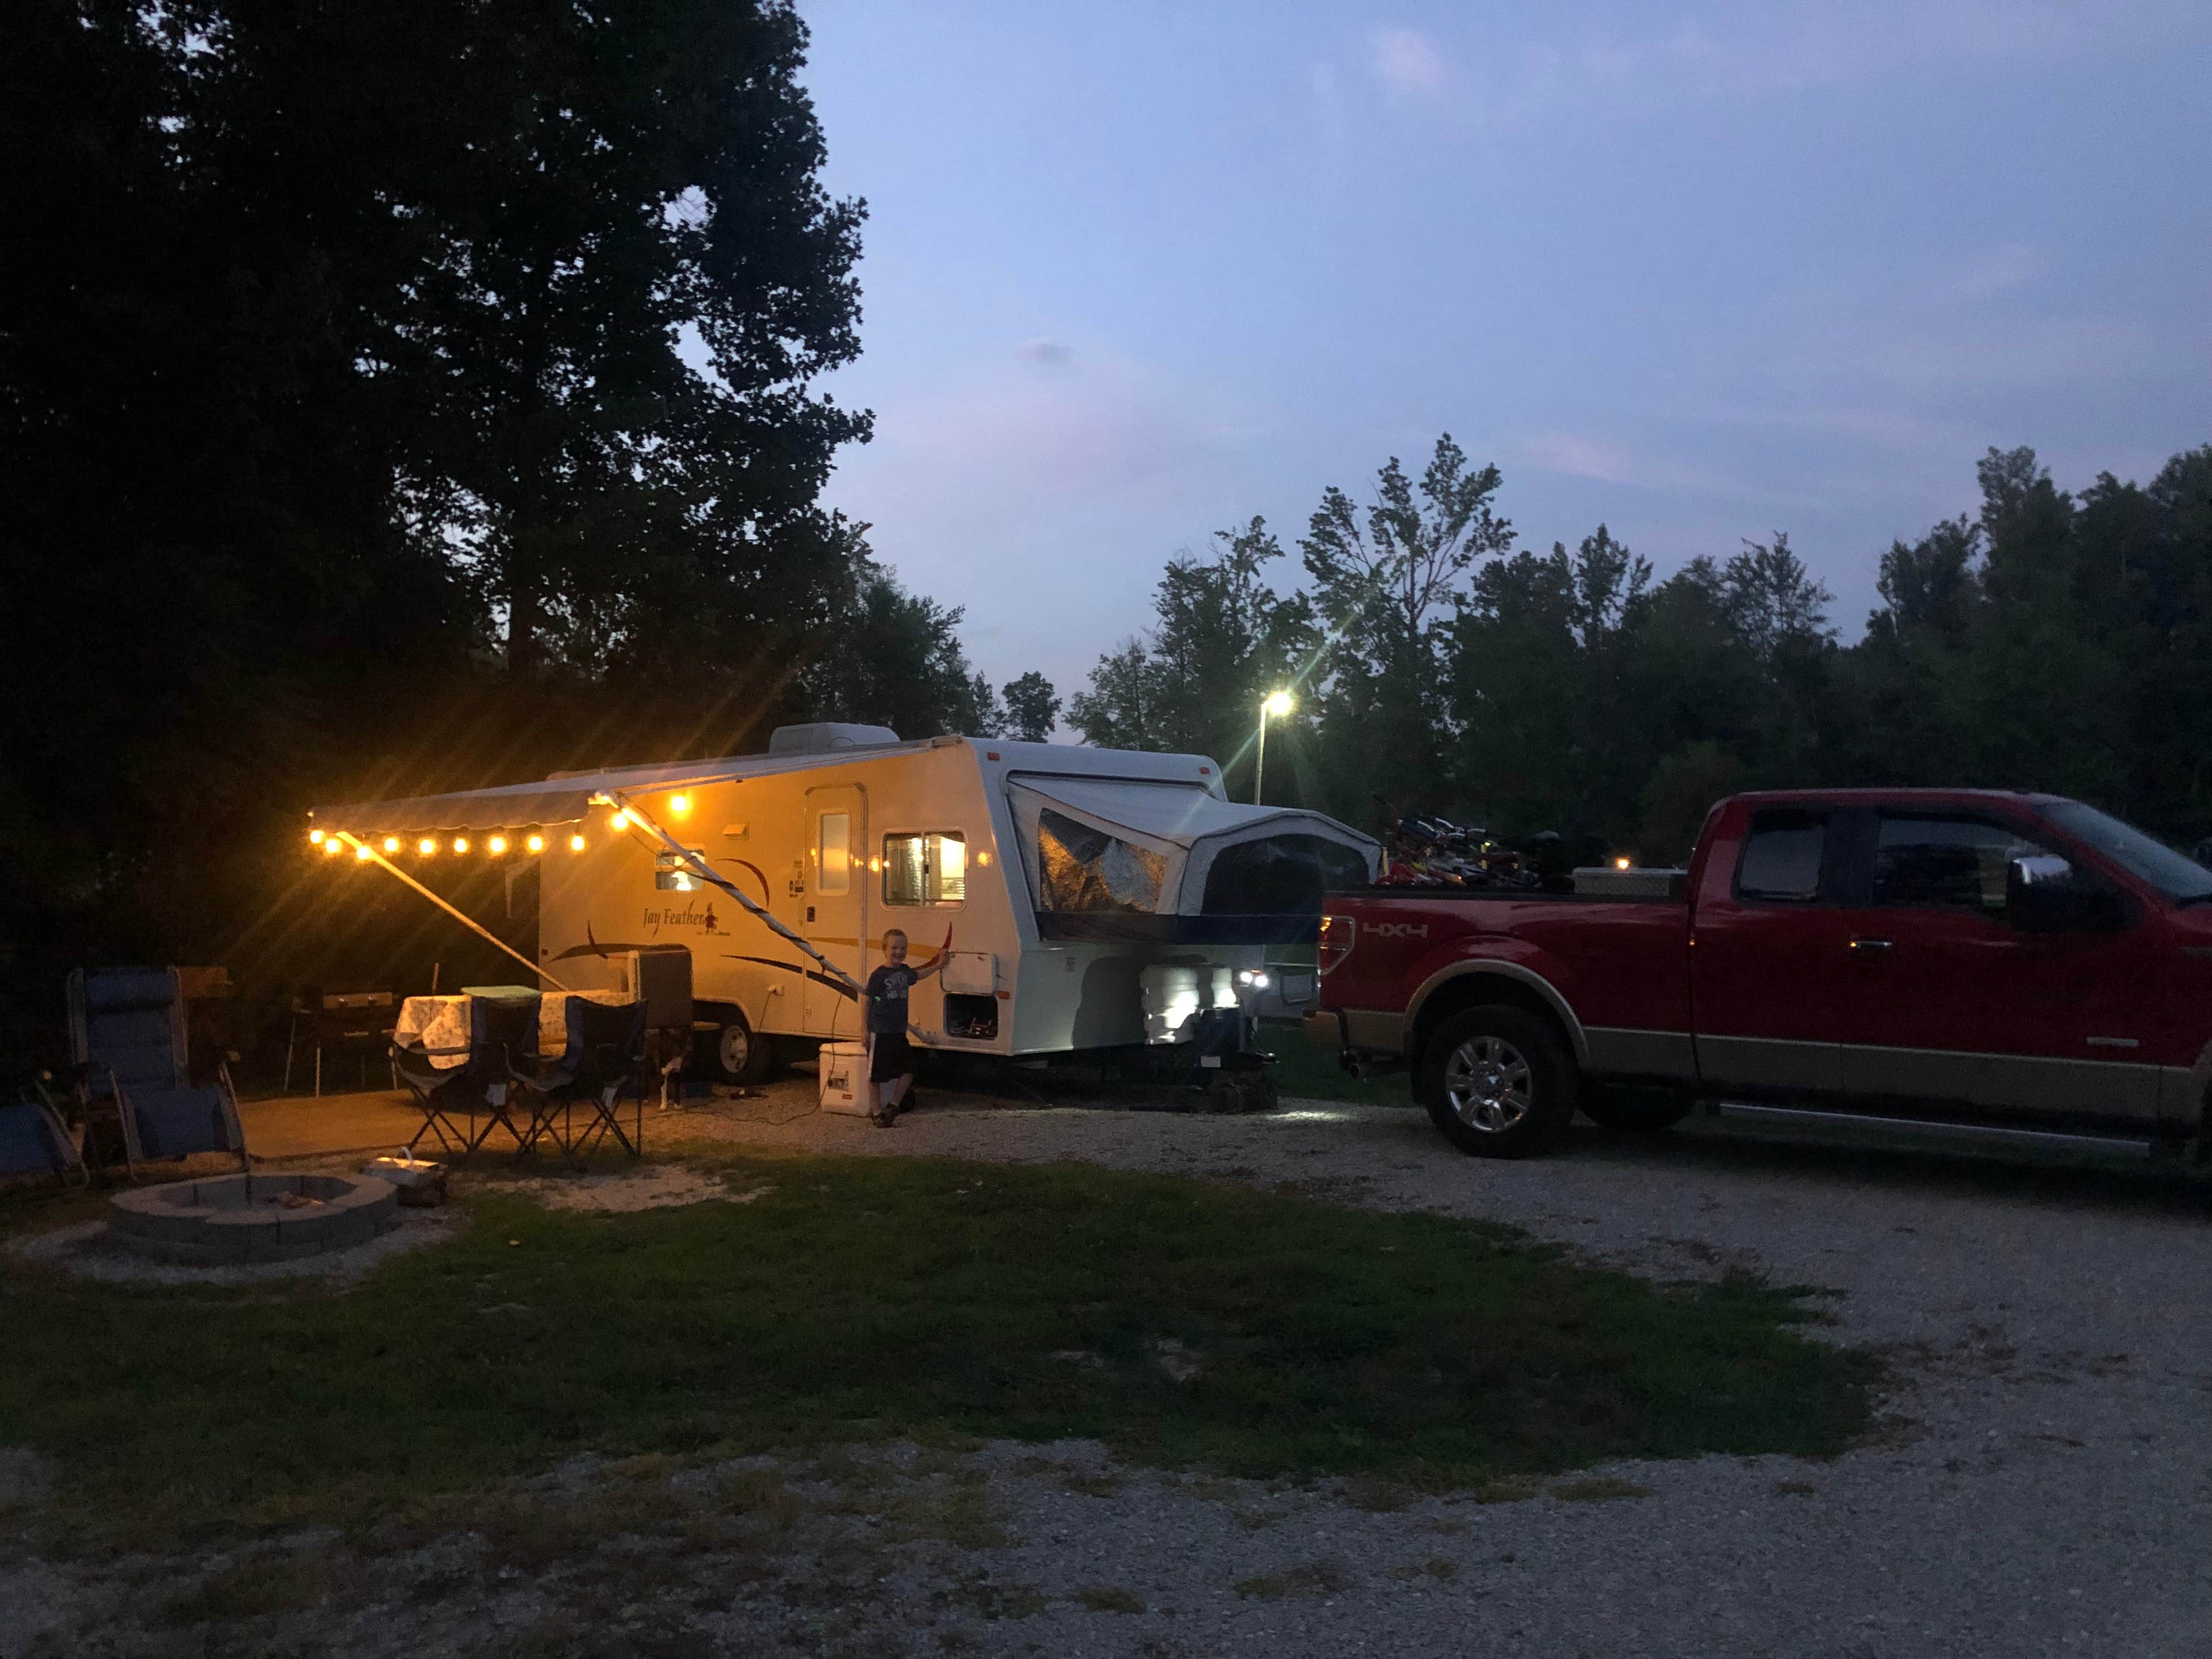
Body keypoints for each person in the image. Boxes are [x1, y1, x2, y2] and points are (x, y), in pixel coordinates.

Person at [863, 925, 950, 1127]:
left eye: (903, 948)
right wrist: (864, 1029)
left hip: (898, 1031)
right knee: (875, 1075)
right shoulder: (878, 976)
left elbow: (919, 975)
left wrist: (939, 965)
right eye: (894, 948)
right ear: (884, 950)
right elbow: (868, 1000)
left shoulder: (905, 972)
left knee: (910, 1068)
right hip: (881, 1031)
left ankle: (893, 1105)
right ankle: (877, 1113)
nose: (899, 952)